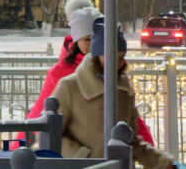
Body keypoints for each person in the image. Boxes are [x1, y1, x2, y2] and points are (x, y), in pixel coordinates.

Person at [52, 19, 173, 169]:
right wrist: (82, 157)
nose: (117, 64)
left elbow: (131, 140)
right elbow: (52, 135)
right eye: (110, 58)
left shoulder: (124, 90)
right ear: (97, 55)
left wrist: (162, 163)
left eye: (121, 58)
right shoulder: (69, 87)